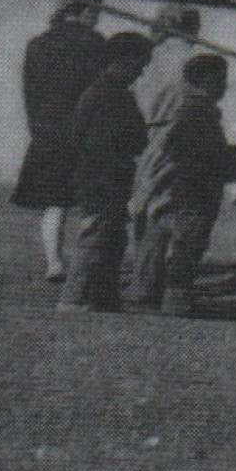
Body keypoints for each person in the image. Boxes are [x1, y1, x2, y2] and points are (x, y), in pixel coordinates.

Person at [134, 54, 236, 315]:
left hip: (171, 190)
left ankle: (147, 291)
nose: (224, 86)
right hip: (194, 194)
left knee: (158, 240)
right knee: (189, 245)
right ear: (207, 82)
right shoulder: (199, 116)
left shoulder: (185, 113)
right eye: (221, 80)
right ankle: (177, 299)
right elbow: (211, 161)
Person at [11, 0, 105, 285]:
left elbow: (30, 93)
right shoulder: (95, 43)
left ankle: (54, 262)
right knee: (94, 201)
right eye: (97, 10)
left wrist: (38, 128)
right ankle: (86, 263)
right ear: (86, 10)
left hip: (48, 131)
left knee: (54, 203)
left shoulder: (38, 44)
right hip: (85, 131)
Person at [60, 32, 153, 313]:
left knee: (111, 238)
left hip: (105, 179)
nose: (140, 73)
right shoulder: (109, 97)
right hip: (103, 180)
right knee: (96, 237)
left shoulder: (105, 93)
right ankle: (74, 299)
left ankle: (103, 296)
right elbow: (113, 142)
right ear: (121, 62)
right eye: (138, 65)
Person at [128, 4, 203, 242]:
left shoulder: (147, 56)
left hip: (143, 134)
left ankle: (144, 262)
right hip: (179, 134)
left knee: (144, 199)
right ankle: (166, 263)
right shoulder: (191, 58)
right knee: (175, 204)